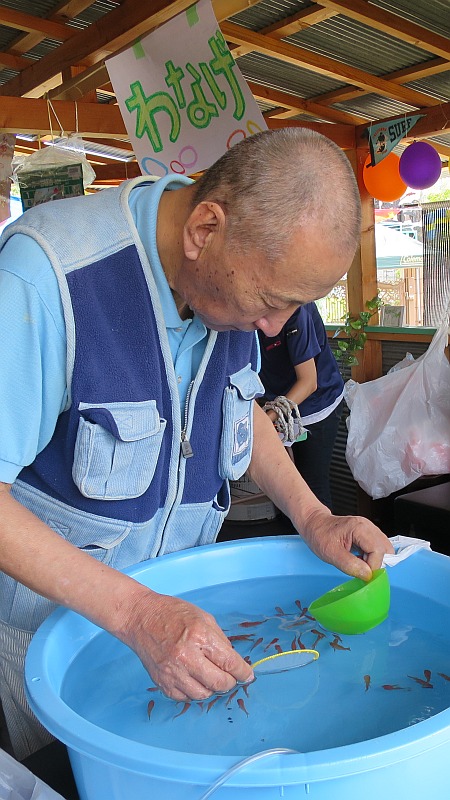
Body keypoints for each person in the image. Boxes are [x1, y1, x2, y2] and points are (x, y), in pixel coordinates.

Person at [0, 128, 394, 759]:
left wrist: (314, 515)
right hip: (56, 637)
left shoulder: (225, 283)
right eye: (271, 302)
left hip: (181, 623)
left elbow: (240, 410)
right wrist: (137, 616)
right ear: (205, 230)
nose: (274, 329)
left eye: (295, 307)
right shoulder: (43, 276)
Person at [258, 301, 344, 510]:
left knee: (311, 487)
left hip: (317, 406)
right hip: (275, 405)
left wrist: (266, 420)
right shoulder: (239, 318)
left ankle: (319, 540)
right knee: (284, 487)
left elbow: (308, 382)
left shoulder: (296, 311)